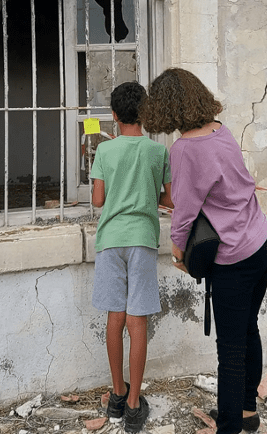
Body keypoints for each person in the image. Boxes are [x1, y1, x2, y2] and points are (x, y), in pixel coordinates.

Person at [141, 68, 267, 435]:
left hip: (235, 257)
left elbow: (184, 211)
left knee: (230, 349)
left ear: (166, 107)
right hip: (264, 240)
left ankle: (229, 427)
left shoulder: (184, 149)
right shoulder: (221, 129)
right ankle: (246, 412)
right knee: (248, 329)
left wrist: (178, 253)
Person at [90, 81, 173, 434]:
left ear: (114, 115)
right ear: (145, 114)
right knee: (137, 320)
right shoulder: (158, 152)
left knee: (115, 316)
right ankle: (135, 405)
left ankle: (117, 394)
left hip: (110, 240)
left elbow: (98, 200)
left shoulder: (105, 151)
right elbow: (170, 200)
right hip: (142, 239)